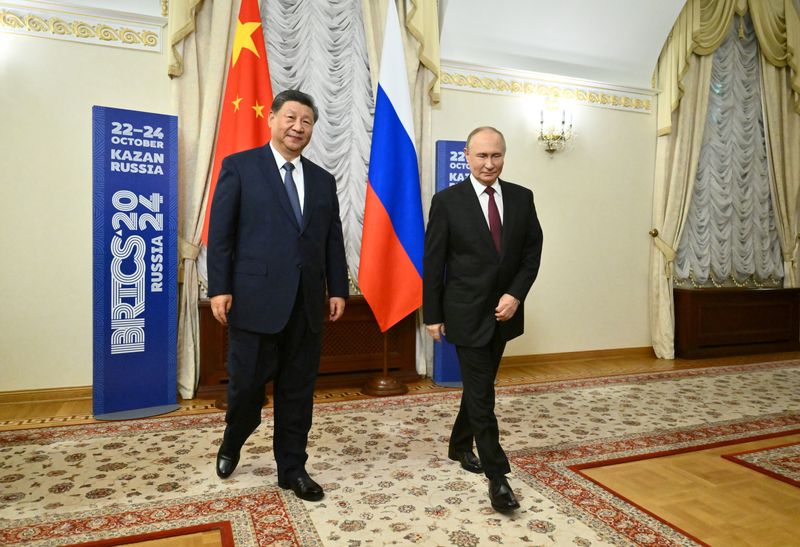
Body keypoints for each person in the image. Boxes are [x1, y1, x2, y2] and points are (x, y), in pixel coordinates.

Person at [207, 89, 348, 502]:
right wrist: (220, 287)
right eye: (290, 118)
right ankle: (234, 438)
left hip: (305, 305)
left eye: (306, 121)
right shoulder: (240, 167)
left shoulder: (323, 180)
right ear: (271, 119)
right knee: (247, 389)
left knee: (297, 392)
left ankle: (292, 468)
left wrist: (337, 288)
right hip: (253, 300)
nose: (297, 127)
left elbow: (332, 240)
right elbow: (221, 236)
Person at [423, 126, 543, 513]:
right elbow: (434, 262)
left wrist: (516, 295)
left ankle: (459, 445)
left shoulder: (522, 198)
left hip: (505, 313)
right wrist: (433, 314)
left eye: (496, 156)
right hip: (463, 313)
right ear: (468, 156)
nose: (489, 163)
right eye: (481, 156)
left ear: (503, 156)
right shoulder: (447, 201)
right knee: (483, 394)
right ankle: (498, 476)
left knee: (479, 386)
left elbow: (531, 253)